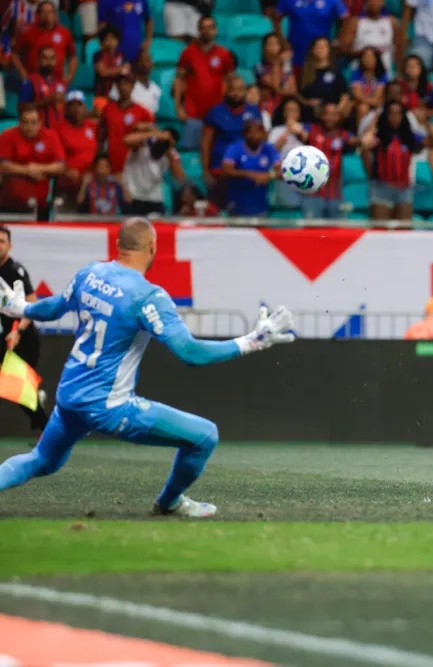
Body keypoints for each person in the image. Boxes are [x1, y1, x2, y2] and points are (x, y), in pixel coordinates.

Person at [0, 218, 295, 517]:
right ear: (153, 247)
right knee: (205, 436)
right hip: (109, 406)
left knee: (41, 460)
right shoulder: (147, 296)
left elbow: (54, 308)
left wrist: (20, 308)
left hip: (70, 395)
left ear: (118, 244)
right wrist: (252, 341)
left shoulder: (90, 273)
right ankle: (169, 503)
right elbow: (191, 353)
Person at [0, 226, 48, 431]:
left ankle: (47, 428)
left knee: (21, 390)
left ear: (9, 246)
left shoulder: (15, 271)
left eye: (2, 241)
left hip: (23, 337)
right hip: (4, 337)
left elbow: (32, 304)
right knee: (17, 390)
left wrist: (18, 331)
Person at [174, 16, 236, 151]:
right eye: (203, 27)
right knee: (191, 153)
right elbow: (179, 80)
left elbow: (231, 82)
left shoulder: (224, 54)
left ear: (215, 30)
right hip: (193, 114)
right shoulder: (188, 53)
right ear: (198, 30)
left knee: (215, 153)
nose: (206, 30)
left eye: (210, 27)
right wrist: (178, 107)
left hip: (217, 114)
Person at [0, 106, 66, 221]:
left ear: (40, 123)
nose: (29, 126)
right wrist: (27, 170)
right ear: (19, 123)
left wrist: (39, 168)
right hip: (9, 203)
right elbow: (2, 165)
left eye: (33, 122)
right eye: (25, 122)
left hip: (41, 204)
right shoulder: (7, 136)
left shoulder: (50, 136)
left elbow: (61, 166)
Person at [364, 99, 421, 220]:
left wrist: (422, 119)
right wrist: (376, 118)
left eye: (398, 113)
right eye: (391, 113)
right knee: (380, 229)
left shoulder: (409, 137)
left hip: (404, 188)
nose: (395, 116)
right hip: (381, 187)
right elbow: (365, 142)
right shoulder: (378, 136)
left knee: (404, 229)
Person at [305, 102, 358, 219]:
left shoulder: (344, 135)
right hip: (313, 195)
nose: (330, 117)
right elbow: (297, 130)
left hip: (335, 195)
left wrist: (364, 140)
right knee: (312, 229)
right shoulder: (312, 130)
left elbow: (357, 141)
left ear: (339, 117)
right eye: (327, 114)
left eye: (334, 114)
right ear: (322, 115)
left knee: (334, 229)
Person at [220, 119, 281, 217]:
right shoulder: (234, 149)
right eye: (251, 133)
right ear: (244, 134)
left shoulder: (269, 149)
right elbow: (226, 171)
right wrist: (250, 175)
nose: (254, 136)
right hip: (237, 205)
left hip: (261, 206)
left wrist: (269, 175)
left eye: (258, 132)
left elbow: (282, 171)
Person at [99, 71, 154, 175]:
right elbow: (101, 137)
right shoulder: (108, 109)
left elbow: (152, 134)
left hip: (134, 165)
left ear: (133, 86)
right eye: (120, 83)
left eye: (126, 83)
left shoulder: (142, 112)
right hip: (112, 163)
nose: (123, 87)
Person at [122, 127, 186, 216]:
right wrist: (154, 134)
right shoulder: (144, 144)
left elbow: (180, 178)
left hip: (154, 198)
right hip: (133, 196)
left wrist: (169, 153)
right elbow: (126, 140)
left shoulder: (171, 154)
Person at [18, 44, 67, 128]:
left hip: (60, 131)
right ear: (38, 60)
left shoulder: (62, 83)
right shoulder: (30, 81)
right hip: (38, 130)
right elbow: (22, 108)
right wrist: (48, 99)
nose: (49, 62)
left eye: (52, 58)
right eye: (45, 58)